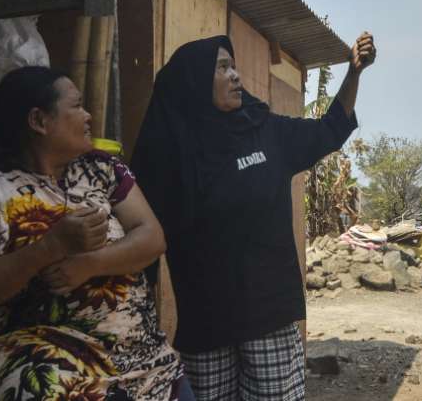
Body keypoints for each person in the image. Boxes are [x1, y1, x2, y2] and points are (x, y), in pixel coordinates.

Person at [132, 32, 376, 400]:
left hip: (267, 317)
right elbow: (145, 240)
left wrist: (354, 73)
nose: (235, 76)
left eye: (234, 66)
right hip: (204, 325)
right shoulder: (168, 153)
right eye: (222, 67)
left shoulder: (265, 131)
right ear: (195, 81)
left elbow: (330, 129)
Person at [0, 67, 193, 400]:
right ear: (39, 121)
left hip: (140, 354)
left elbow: (152, 237)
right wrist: (50, 247)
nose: (88, 115)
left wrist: (90, 264)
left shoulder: (102, 168)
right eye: (76, 106)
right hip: (44, 360)